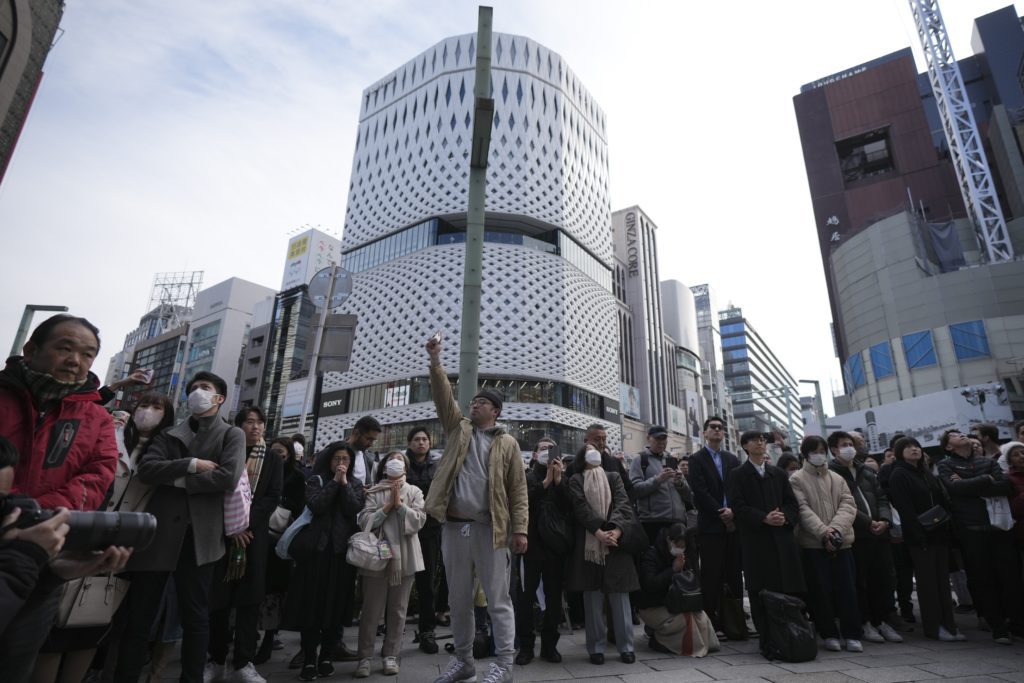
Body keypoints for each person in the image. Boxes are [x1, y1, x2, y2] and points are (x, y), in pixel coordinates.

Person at [113, 371, 246, 683]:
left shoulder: (231, 434)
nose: (198, 392)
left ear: (219, 397)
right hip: (159, 535)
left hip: (201, 537)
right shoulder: (170, 434)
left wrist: (173, 480)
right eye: (194, 388)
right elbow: (147, 469)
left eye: (205, 388)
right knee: (140, 617)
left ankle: (191, 678)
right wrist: (191, 466)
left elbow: (227, 477)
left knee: (195, 616)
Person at [423, 336, 527, 683]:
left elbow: (517, 490)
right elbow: (443, 397)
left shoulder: (507, 443)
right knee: (457, 598)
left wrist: (520, 529)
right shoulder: (458, 429)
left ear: (495, 410)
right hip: (454, 527)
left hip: (490, 529)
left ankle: (504, 665)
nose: (474, 404)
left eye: (482, 402)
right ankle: (464, 661)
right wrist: (436, 362)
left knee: (497, 600)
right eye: (473, 401)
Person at [206, 407, 283, 683]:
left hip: (254, 537)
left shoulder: (272, 459)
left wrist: (245, 524)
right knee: (219, 600)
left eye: (260, 423)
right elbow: (218, 489)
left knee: (250, 601)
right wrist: (233, 526)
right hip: (224, 535)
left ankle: (244, 661)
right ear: (237, 426)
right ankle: (215, 659)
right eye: (249, 422)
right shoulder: (225, 450)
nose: (255, 427)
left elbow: (272, 496)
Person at [283, 442, 364, 681]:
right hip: (315, 553)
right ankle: (309, 658)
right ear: (329, 460)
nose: (341, 463)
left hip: (341, 555)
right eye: (337, 458)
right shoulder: (315, 480)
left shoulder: (356, 484)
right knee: (312, 607)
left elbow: (352, 508)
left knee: (335, 606)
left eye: (346, 460)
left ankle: (327, 655)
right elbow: (317, 505)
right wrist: (333, 482)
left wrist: (345, 484)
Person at [936, 429, 1023, 643]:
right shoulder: (946, 465)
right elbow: (954, 489)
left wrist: (971, 484)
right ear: (948, 446)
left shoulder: (986, 461)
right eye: (954, 435)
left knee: (1010, 578)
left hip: (999, 529)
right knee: (984, 580)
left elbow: (1006, 486)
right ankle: (998, 627)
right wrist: (986, 480)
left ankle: (1018, 624)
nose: (961, 435)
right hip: (971, 530)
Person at [727, 431, 805, 659]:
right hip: (756, 541)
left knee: (787, 588)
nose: (760, 443)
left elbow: (792, 503)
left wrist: (784, 517)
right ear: (745, 446)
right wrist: (763, 518)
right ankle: (767, 641)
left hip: (782, 540)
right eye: (755, 440)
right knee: (760, 591)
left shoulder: (778, 474)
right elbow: (737, 506)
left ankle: (791, 635)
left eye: (763, 440)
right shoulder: (737, 474)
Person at [353, 451, 427, 677]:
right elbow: (364, 520)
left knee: (398, 610)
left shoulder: (414, 491)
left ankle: (391, 654)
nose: (396, 462)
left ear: (405, 467)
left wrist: (401, 506)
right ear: (384, 467)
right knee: (371, 611)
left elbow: (420, 519)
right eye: (391, 459)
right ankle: (364, 657)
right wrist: (386, 508)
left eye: (400, 459)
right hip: (378, 554)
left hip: (405, 556)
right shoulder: (373, 492)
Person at [827, 431, 902, 644]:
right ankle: (865, 622)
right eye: (844, 444)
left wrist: (885, 520)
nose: (849, 447)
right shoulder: (831, 473)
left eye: (851, 444)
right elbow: (843, 504)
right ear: (834, 449)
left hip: (880, 535)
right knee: (860, 581)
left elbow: (882, 498)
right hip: (857, 535)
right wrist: (868, 523)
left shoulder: (866, 470)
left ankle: (882, 621)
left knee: (884, 580)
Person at [886, 437, 964, 641]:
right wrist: (918, 534)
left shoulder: (926, 473)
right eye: (908, 447)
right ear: (899, 452)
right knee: (928, 583)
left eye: (916, 446)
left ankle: (950, 624)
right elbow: (905, 509)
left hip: (939, 533)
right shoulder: (899, 474)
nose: (914, 449)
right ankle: (935, 627)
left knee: (943, 582)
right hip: (920, 537)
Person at [567, 446, 639, 665]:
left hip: (615, 543)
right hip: (590, 544)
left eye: (596, 449)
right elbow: (580, 508)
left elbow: (623, 504)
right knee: (592, 599)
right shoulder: (576, 479)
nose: (594, 451)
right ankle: (596, 648)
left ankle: (626, 647)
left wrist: (615, 530)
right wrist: (598, 531)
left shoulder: (613, 476)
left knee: (620, 597)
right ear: (582, 456)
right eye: (588, 448)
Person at [790, 435, 862, 653]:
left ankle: (852, 634)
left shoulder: (837, 478)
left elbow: (849, 505)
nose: (819, 454)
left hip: (842, 544)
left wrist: (836, 531)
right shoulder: (796, 479)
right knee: (820, 591)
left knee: (848, 590)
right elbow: (801, 509)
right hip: (813, 544)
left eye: (822, 450)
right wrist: (824, 532)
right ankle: (828, 632)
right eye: (815, 450)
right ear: (806, 453)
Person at [515, 437, 571, 665]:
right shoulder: (527, 477)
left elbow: (570, 508)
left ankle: (550, 645)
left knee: (554, 599)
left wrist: (558, 482)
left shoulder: (562, 478)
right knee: (526, 599)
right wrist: (546, 482)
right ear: (536, 454)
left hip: (555, 548)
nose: (548, 452)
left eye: (551, 448)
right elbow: (522, 503)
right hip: (531, 547)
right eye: (543, 449)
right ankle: (526, 646)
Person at [686, 416, 742, 635]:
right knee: (711, 573)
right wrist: (721, 512)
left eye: (720, 428)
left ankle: (735, 620)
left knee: (734, 572)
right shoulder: (696, 459)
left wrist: (733, 512)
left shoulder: (732, 459)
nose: (717, 430)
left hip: (733, 524)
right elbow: (699, 491)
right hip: (710, 524)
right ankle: (711, 621)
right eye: (713, 427)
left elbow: (738, 489)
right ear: (705, 433)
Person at [255, 437, 306, 665]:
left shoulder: (297, 477)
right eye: (274, 450)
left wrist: (280, 502)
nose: (278, 455)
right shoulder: (257, 470)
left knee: (273, 590)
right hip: (256, 534)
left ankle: (269, 637)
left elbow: (300, 507)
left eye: (282, 452)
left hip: (279, 540)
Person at [636, 523, 718, 657]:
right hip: (653, 605)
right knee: (685, 620)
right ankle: (661, 641)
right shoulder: (652, 554)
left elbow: (693, 580)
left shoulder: (686, 555)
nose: (679, 549)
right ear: (669, 540)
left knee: (700, 616)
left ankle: (705, 644)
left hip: (677, 602)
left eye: (682, 546)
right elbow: (649, 584)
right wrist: (672, 570)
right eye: (677, 545)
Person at [405, 426, 441, 655]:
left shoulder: (437, 466)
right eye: (416, 439)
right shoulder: (400, 463)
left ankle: (427, 631)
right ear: (409, 443)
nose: (421, 443)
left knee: (427, 583)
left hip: (430, 530)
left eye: (424, 439)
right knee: (397, 581)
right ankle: (392, 630)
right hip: (402, 530)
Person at [630, 426, 691, 545]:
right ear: (648, 438)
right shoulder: (640, 459)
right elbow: (634, 490)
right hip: (653, 522)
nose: (661, 443)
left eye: (664, 439)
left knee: (679, 561)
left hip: (678, 521)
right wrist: (657, 480)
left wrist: (680, 483)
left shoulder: (671, 459)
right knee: (654, 561)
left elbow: (688, 495)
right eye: (658, 439)